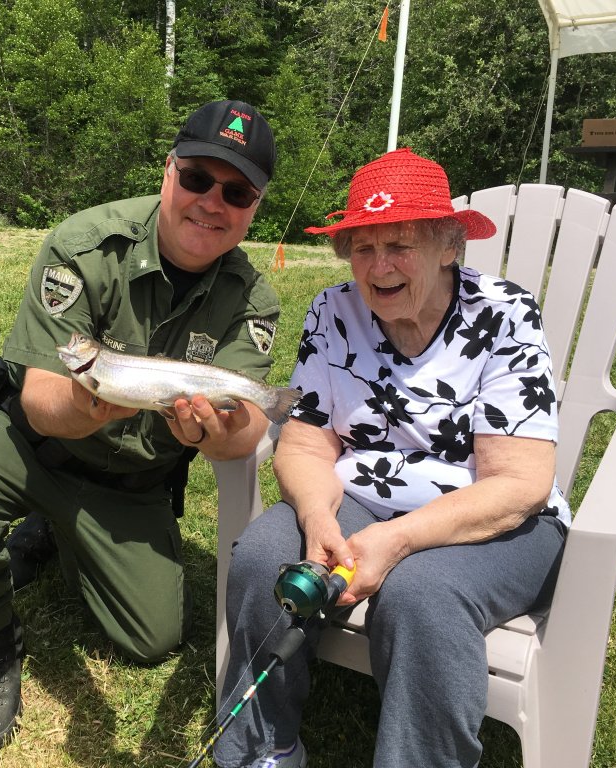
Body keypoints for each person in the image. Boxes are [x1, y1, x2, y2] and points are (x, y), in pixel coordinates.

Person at [0, 99, 283, 752]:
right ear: (168, 170)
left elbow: (246, 432)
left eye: (236, 191)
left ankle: (58, 534)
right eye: (197, 179)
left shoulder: (252, 299)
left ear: (254, 207)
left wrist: (204, 434)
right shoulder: (84, 244)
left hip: (130, 480)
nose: (213, 202)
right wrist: (86, 406)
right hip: (30, 442)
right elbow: (43, 398)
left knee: (150, 639)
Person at [214, 148, 570, 768]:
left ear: (448, 246)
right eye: (362, 248)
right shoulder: (335, 311)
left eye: (400, 245)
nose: (378, 267)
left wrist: (398, 539)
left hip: (497, 516)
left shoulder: (505, 315)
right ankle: (260, 752)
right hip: (363, 497)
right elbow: (303, 442)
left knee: (422, 595)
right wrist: (319, 520)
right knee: (265, 558)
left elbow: (520, 483)